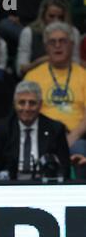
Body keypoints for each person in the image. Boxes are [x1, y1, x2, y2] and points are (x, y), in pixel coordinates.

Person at [25, 22, 86, 156]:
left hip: (76, 138)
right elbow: (25, 111)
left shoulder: (83, 75)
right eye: (52, 42)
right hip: (41, 136)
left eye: (62, 41)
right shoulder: (32, 76)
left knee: (81, 149)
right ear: (46, 47)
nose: (57, 45)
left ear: (71, 45)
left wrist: (72, 138)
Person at [0, 81, 70, 180]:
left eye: (32, 103)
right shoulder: (3, 128)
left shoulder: (55, 129)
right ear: (14, 104)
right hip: (12, 184)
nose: (27, 108)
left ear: (40, 105)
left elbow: (65, 168)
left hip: (44, 185)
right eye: (22, 103)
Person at [16, 0, 82, 77]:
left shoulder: (73, 32)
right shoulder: (28, 32)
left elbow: (76, 63)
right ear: (43, 15)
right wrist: (44, 60)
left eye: (60, 17)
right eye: (51, 16)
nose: (56, 21)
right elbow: (21, 70)